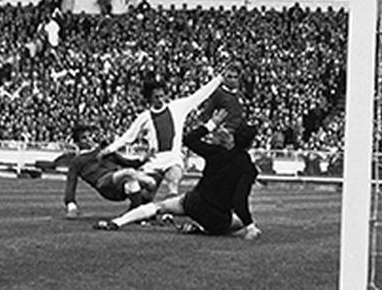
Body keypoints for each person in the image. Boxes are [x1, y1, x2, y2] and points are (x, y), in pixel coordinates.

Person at [93, 109, 261, 240]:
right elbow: (239, 200)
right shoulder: (249, 169)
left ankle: (116, 222)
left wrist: (211, 124)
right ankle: (201, 229)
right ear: (251, 143)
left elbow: (188, 140)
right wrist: (250, 226)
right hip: (216, 218)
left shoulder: (217, 152)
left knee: (159, 206)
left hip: (194, 203)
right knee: (237, 222)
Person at [99, 69, 225, 198]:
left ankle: (168, 216)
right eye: (156, 97)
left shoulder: (177, 108)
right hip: (155, 161)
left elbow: (199, 96)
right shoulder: (144, 117)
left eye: (162, 96)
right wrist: (109, 149)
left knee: (173, 181)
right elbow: (127, 137)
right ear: (149, 99)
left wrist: (218, 79)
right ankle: (139, 207)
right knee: (144, 195)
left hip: (173, 158)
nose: (160, 99)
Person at [63, 124, 161, 220]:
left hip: (119, 184)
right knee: (129, 173)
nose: (89, 140)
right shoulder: (76, 161)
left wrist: (144, 158)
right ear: (77, 143)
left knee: (133, 183)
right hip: (103, 183)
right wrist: (71, 206)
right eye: (84, 138)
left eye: (90, 136)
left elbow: (128, 162)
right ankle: (148, 184)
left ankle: (137, 214)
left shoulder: (105, 151)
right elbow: (71, 183)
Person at [198, 61, 246, 131]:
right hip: (223, 135)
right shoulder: (217, 93)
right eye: (229, 76)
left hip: (238, 134)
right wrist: (216, 128)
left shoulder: (239, 94)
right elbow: (206, 114)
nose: (232, 80)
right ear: (224, 78)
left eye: (235, 77)